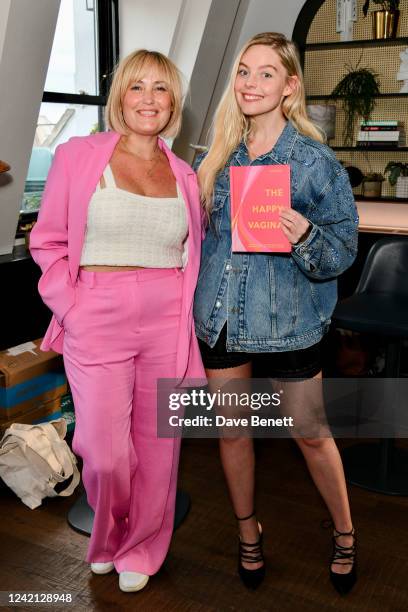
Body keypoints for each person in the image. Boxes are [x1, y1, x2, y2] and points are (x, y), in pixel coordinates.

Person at [30, 49, 205, 593]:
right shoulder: (79, 155)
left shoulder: (184, 174)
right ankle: (107, 536)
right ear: (120, 97)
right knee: (104, 452)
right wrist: (74, 307)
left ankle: (143, 547)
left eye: (161, 88)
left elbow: (191, 252)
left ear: (173, 102)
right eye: (137, 87)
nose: (148, 99)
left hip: (168, 313)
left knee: (158, 444)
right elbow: (49, 242)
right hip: (96, 310)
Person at [193, 32, 359, 594]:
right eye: (243, 71)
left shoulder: (315, 163)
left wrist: (307, 233)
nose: (250, 83)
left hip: (288, 324)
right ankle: (248, 533)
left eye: (266, 74)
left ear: (290, 87)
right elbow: (204, 242)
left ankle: (344, 531)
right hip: (220, 320)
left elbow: (341, 252)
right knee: (233, 433)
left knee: (310, 433)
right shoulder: (218, 158)